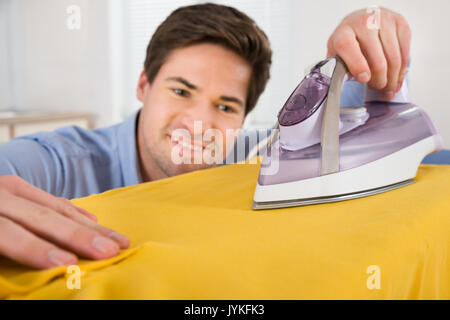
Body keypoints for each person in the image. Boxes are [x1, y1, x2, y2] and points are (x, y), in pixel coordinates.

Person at [0, 3, 413, 269]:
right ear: (143, 85)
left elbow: (344, 136)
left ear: (245, 117)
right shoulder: (57, 165)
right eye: (181, 91)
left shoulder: (254, 159)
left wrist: (365, 60)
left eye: (225, 105)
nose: (199, 121)